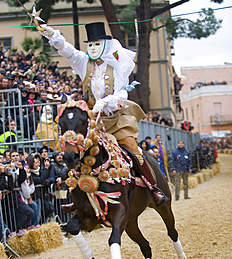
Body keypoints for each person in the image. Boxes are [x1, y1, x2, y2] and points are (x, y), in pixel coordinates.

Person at [38, 21, 165, 205]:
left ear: (105, 45)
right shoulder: (84, 63)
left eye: (97, 44)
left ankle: (153, 188)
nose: (93, 48)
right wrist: (51, 34)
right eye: (90, 44)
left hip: (115, 120)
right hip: (92, 122)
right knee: (77, 150)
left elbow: (122, 93)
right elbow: (68, 51)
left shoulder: (117, 66)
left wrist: (106, 102)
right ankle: (78, 196)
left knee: (134, 150)